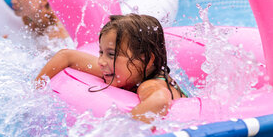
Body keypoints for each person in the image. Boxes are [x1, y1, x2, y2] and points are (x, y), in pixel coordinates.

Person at [35, 14, 186, 123]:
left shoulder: (150, 84)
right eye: (101, 52)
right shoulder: (121, 70)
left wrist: (119, 130)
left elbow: (160, 101)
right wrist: (35, 89)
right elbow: (66, 56)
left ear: (146, 59)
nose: (101, 61)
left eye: (111, 54)